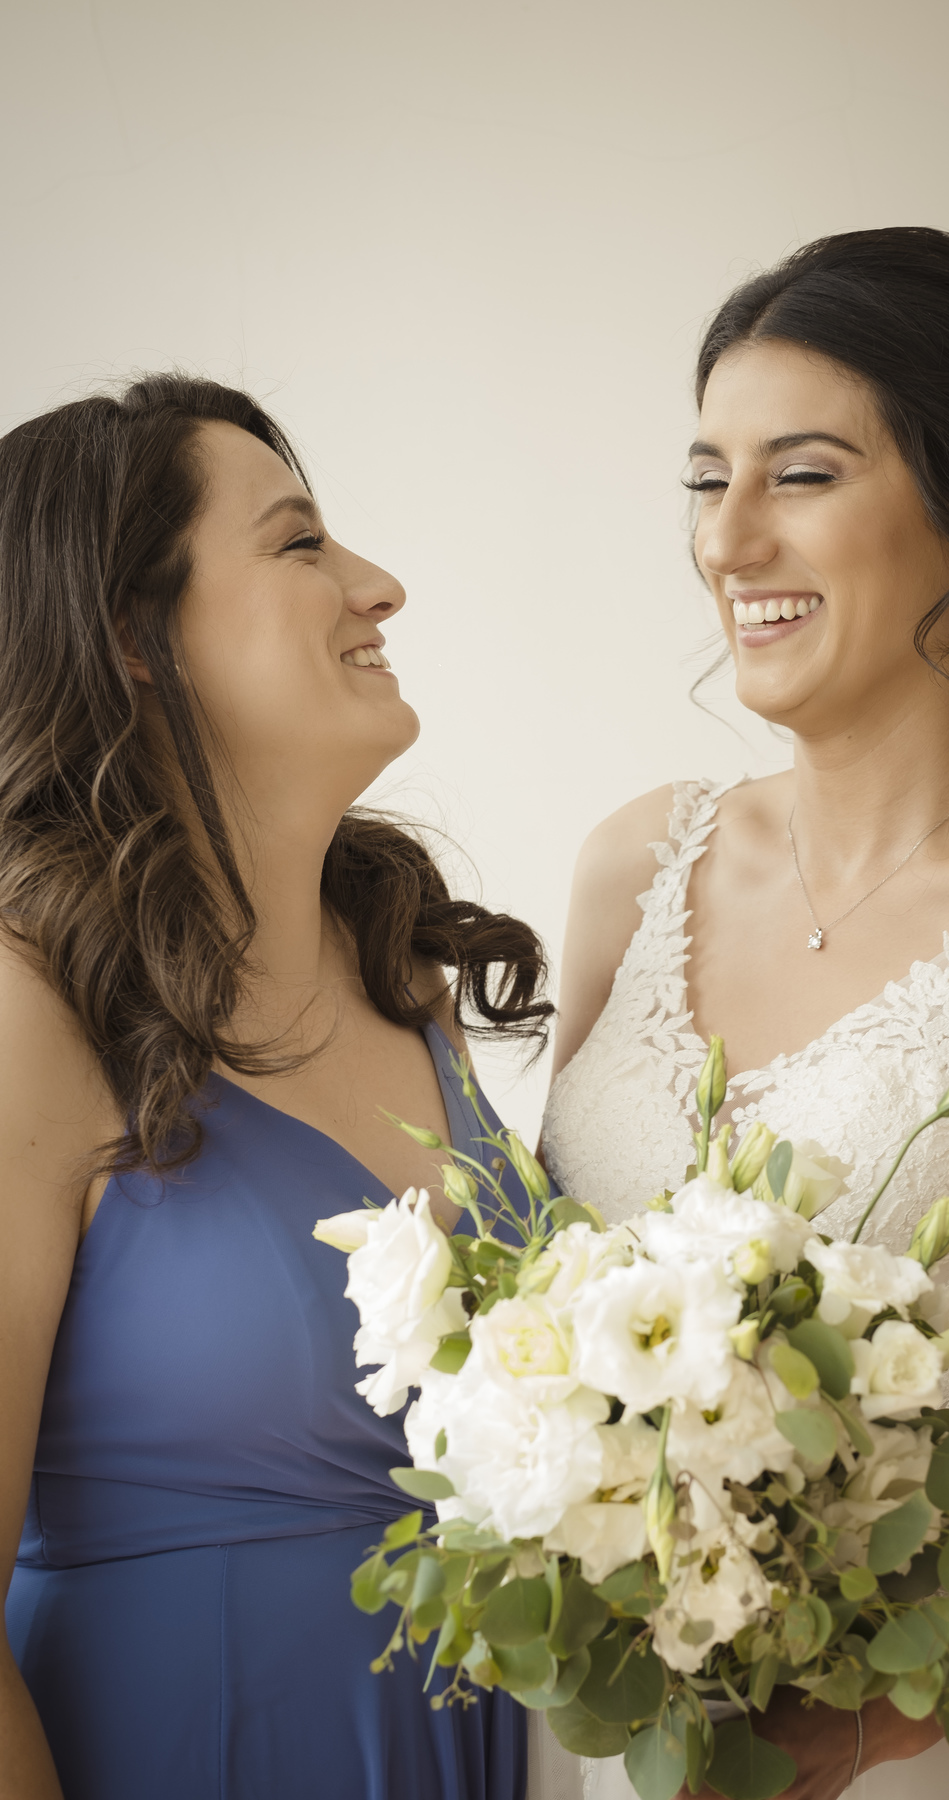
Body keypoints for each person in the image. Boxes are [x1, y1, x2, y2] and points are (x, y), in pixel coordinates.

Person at [543, 228, 949, 1798]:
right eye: (709, 479)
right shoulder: (635, 859)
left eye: (805, 474)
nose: (730, 540)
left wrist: (870, 1721)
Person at [0, 376, 551, 1800]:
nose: (379, 586)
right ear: (131, 632)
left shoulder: (398, 974)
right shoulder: (26, 1011)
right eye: (302, 544)